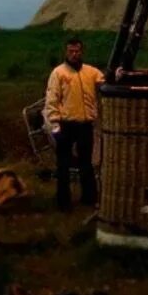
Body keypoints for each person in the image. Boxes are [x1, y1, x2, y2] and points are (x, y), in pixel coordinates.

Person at [44, 38, 104, 211]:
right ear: (66, 52)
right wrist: (55, 126)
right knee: (63, 164)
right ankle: (63, 202)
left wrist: (119, 73)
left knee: (86, 163)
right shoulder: (58, 73)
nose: (74, 54)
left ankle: (89, 199)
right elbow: (52, 100)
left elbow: (106, 81)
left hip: (85, 124)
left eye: (77, 51)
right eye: (71, 51)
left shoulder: (91, 72)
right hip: (66, 125)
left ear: (82, 51)